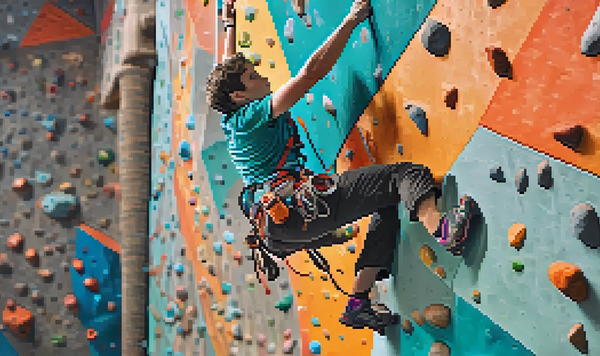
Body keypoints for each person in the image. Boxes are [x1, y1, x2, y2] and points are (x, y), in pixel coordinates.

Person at [205, 0, 478, 332]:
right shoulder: (254, 113)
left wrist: (229, 25)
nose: (261, 76)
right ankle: (446, 232)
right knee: (406, 175)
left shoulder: (232, 120)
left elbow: (227, 76)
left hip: (275, 232)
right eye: (252, 76)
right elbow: (310, 73)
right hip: (298, 208)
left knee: (386, 202)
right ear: (238, 95)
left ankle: (358, 303)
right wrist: (351, 20)